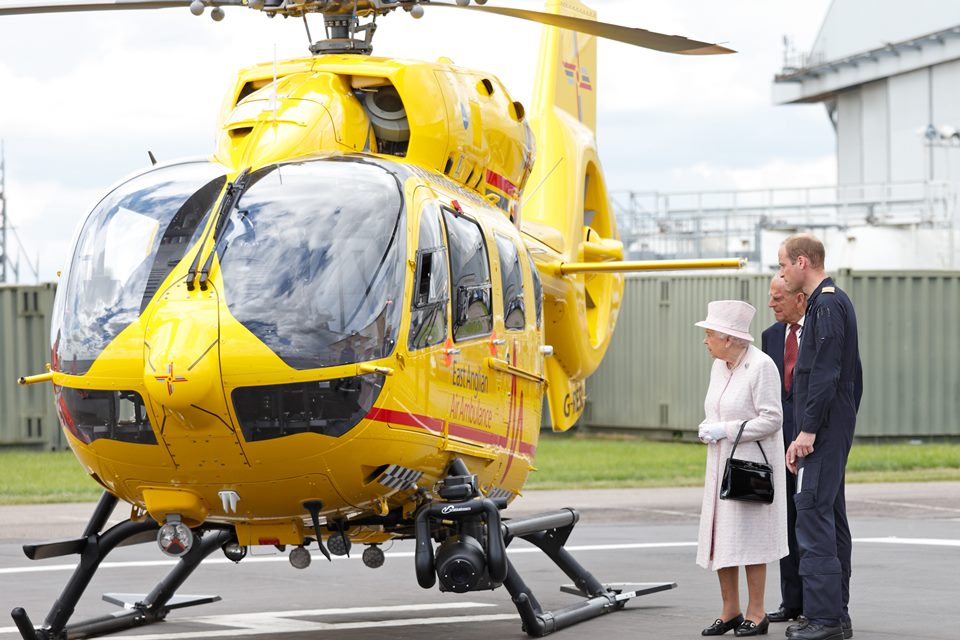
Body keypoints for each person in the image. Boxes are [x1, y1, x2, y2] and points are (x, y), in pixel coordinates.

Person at [777, 234, 863, 640]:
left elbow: (825, 374)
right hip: (833, 427)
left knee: (811, 514)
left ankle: (825, 619)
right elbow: (852, 379)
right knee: (830, 517)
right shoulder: (830, 302)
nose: (780, 275)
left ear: (801, 263)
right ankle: (836, 614)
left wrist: (808, 431)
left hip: (822, 431)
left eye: (782, 266)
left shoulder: (826, 305)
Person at [694, 300, 787, 637]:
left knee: (750, 539)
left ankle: (757, 612)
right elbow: (715, 408)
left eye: (709, 334)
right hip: (720, 463)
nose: (705, 339)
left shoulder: (761, 366)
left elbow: (773, 419)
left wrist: (726, 429)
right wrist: (708, 426)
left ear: (729, 338)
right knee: (723, 538)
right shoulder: (720, 365)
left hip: (749, 466)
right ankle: (730, 610)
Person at [761, 277, 807, 625]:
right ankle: (791, 602)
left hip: (811, 443)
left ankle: (817, 604)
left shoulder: (820, 333)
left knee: (812, 524)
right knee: (786, 523)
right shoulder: (770, 337)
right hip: (779, 445)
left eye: (778, 298)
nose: (772, 304)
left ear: (799, 299)